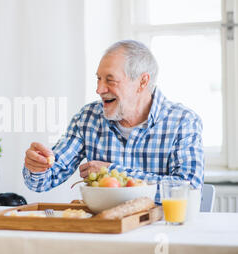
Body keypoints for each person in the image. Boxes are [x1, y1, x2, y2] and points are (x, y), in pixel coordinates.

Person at [23, 40, 204, 200]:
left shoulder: (183, 122)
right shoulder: (88, 118)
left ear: (142, 82)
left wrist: (113, 173)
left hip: (160, 230)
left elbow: (189, 189)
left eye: (110, 80)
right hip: (105, 232)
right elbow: (41, 183)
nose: (99, 89)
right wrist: (38, 167)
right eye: (99, 79)